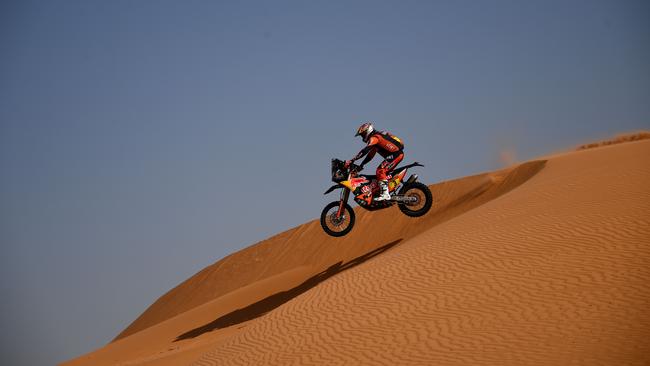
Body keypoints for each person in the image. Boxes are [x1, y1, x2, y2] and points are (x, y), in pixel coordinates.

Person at [346, 122, 404, 201]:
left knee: (380, 170)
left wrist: (353, 160)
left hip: (396, 154)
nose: (362, 137)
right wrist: (362, 165)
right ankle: (387, 189)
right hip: (395, 154)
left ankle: (385, 194)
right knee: (383, 172)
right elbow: (370, 155)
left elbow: (365, 150)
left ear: (367, 131)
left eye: (363, 134)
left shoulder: (374, 138)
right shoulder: (376, 139)